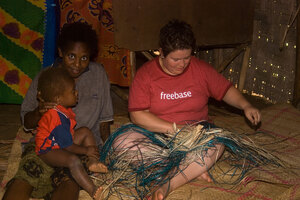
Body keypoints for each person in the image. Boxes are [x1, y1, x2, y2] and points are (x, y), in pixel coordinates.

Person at [100, 19, 261, 200]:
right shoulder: (146, 75)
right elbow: (137, 116)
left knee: (218, 143)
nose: (182, 64)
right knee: (121, 141)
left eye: (187, 57)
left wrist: (246, 105)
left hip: (197, 136)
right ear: (161, 52)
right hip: (158, 138)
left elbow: (225, 90)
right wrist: (176, 130)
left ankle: (167, 185)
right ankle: (189, 169)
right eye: (175, 59)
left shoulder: (201, 70)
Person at [3, 22, 114, 200]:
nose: (77, 64)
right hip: (47, 144)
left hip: (80, 147)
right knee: (26, 175)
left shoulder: (98, 74)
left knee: (70, 182)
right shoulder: (46, 78)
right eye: (71, 56)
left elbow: (105, 121)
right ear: (61, 52)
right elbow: (26, 122)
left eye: (84, 58)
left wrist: (107, 152)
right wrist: (39, 113)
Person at [35, 67, 107, 199]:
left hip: (60, 142)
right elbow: (67, 147)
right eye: (73, 91)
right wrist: (86, 150)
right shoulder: (56, 118)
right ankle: (92, 190)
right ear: (58, 99)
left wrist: (88, 152)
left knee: (85, 131)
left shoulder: (62, 110)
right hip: (48, 150)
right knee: (73, 160)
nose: (76, 93)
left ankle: (92, 163)